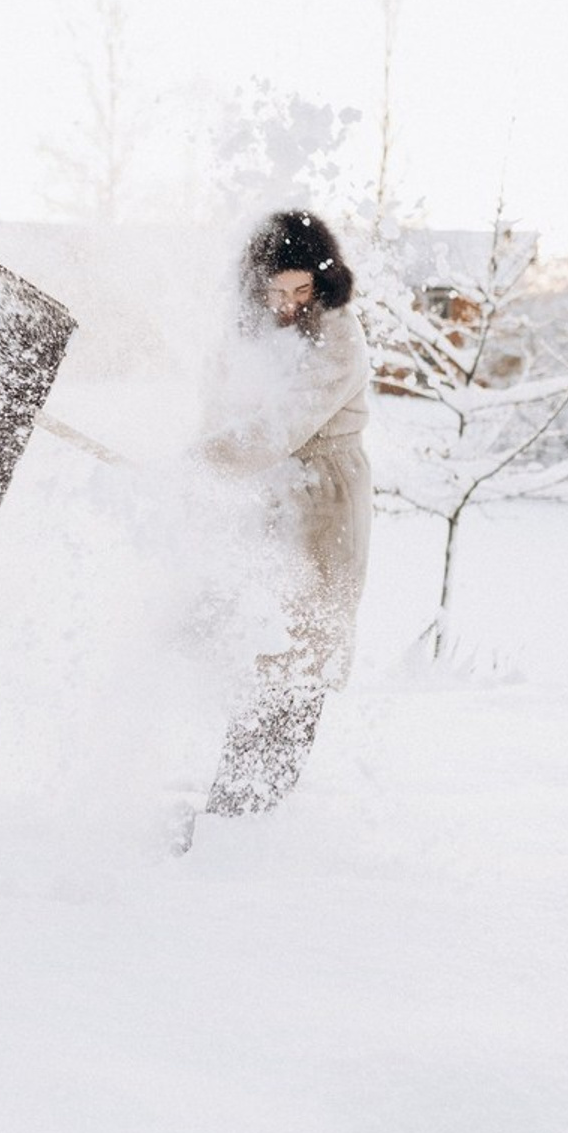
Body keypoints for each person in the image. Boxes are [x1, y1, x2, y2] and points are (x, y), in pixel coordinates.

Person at [189, 209, 371, 831]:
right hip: (269, 489)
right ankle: (234, 807)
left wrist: (202, 459)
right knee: (253, 635)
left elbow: (278, 428)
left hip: (326, 497)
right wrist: (193, 457)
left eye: (303, 290)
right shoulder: (249, 329)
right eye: (278, 290)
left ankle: (251, 813)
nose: (290, 304)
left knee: (300, 651)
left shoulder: (339, 333)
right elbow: (222, 406)